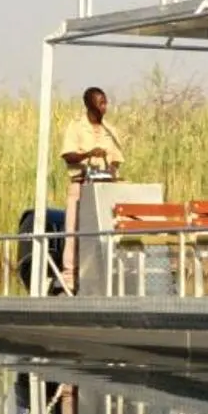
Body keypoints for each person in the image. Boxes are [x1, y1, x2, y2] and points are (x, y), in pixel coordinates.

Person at [57, 87, 124, 292]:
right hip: (80, 185)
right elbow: (67, 155)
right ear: (89, 104)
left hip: (103, 190)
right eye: (100, 102)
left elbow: (116, 159)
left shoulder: (110, 130)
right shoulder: (76, 126)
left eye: (105, 102)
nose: (104, 106)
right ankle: (69, 277)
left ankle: (98, 277)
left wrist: (111, 169)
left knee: (101, 233)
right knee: (73, 232)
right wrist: (88, 154)